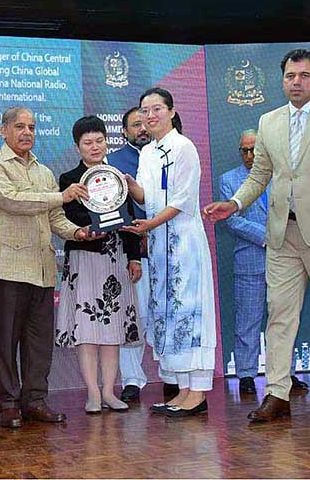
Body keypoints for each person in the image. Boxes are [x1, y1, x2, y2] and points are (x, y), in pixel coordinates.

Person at [203, 49, 310, 421]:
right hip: (282, 235)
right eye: (290, 76)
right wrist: (233, 204)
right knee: (279, 316)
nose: (296, 82)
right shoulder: (268, 121)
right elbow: (259, 175)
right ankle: (277, 394)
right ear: (282, 80)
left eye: (303, 75)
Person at [0, 106, 99, 428]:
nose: (27, 132)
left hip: (42, 267)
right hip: (5, 267)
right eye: (19, 126)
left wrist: (78, 233)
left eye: (31, 127)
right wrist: (61, 196)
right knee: (4, 341)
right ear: (3, 131)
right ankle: (6, 402)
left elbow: (54, 217)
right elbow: (13, 200)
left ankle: (35, 400)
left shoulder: (43, 172)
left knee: (39, 341)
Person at [124, 87, 217, 418]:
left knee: (189, 311)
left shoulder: (184, 147)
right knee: (169, 314)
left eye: (156, 109)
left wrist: (148, 225)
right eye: (144, 110)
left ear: (172, 111)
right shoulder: (147, 152)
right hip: (159, 247)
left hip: (184, 244)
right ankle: (182, 391)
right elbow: (146, 196)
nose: (150, 116)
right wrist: (123, 185)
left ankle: (199, 392)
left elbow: (181, 200)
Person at [56, 115, 143, 413]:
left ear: (107, 142)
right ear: (77, 147)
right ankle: (92, 392)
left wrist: (133, 256)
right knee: (87, 330)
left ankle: (109, 391)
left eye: (99, 141)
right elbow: (68, 219)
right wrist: (93, 223)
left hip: (116, 258)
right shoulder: (69, 180)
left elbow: (129, 220)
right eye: (87, 143)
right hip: (85, 258)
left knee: (112, 331)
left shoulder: (118, 177)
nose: (94, 147)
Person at [218, 129, 306, 395]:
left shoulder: (283, 174)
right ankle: (245, 373)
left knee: (284, 318)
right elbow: (232, 220)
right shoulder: (229, 180)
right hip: (250, 258)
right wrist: (268, 236)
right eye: (244, 150)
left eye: (254, 149)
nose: (249, 155)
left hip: (288, 257)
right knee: (248, 319)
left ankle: (286, 373)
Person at [106, 107, 153, 402]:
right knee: (136, 315)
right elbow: (115, 210)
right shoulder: (113, 163)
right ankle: (132, 379)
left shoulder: (169, 155)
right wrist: (137, 239)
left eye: (146, 123)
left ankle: (174, 376)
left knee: (166, 315)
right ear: (124, 132)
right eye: (136, 125)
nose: (143, 128)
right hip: (135, 248)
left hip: (170, 246)